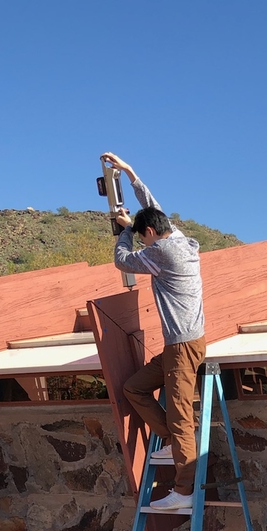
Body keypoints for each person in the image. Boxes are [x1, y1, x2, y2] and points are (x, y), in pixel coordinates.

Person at [101, 152, 205, 511]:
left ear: (148, 234)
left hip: (182, 347)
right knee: (134, 388)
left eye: (143, 235)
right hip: (185, 343)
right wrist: (129, 173)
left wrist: (125, 230)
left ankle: (184, 492)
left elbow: (121, 261)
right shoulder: (179, 239)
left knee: (181, 418)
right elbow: (154, 207)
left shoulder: (161, 253)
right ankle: (172, 441)